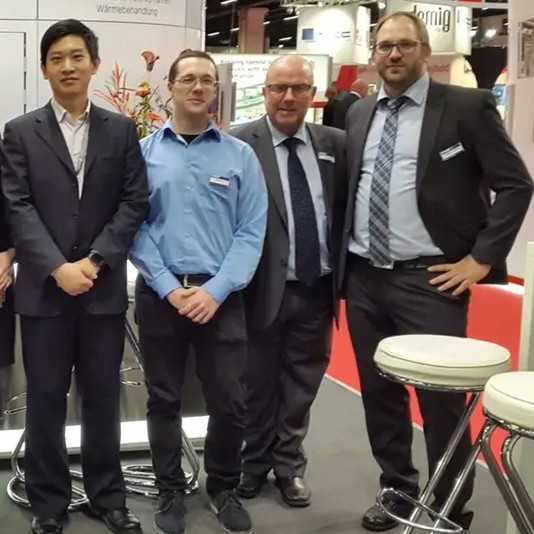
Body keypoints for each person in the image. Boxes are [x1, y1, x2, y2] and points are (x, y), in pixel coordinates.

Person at [340, 11, 533, 532]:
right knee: (379, 394)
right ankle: (397, 490)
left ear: (424, 51)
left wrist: (482, 258)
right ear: (373, 54)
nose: (394, 54)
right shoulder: (359, 112)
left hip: (430, 278)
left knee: (441, 400)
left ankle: (449, 504)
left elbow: (516, 184)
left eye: (404, 45)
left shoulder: (466, 107)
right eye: (385, 46)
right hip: (363, 276)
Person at [1, 19, 149, 534]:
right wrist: (57, 267)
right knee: (45, 398)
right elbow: (17, 205)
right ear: (45, 68)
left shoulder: (121, 130)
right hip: (44, 292)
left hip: (101, 290)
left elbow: (134, 201)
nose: (68, 66)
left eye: (77, 56)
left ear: (94, 64)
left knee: (103, 397)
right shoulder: (20, 132)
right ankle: (49, 502)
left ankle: (109, 496)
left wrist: (96, 260)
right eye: (57, 58)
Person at [129, 49, 267, 534]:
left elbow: (251, 231)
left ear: (215, 90)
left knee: (229, 400)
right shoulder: (143, 153)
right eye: (187, 79)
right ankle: (169, 488)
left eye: (206, 80)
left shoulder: (240, 156)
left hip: (221, 299)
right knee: (163, 399)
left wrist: (217, 290)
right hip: (161, 296)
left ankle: (224, 486)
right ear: (170, 87)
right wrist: (169, 288)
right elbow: (134, 226)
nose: (197, 87)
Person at [231, 55, 346, 508]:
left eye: (298, 88)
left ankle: (289, 466)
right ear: (264, 93)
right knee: (256, 382)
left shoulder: (336, 144)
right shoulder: (239, 143)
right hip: (260, 289)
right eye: (279, 88)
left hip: (317, 287)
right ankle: (252, 463)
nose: (288, 97)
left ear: (312, 93)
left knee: (302, 384)